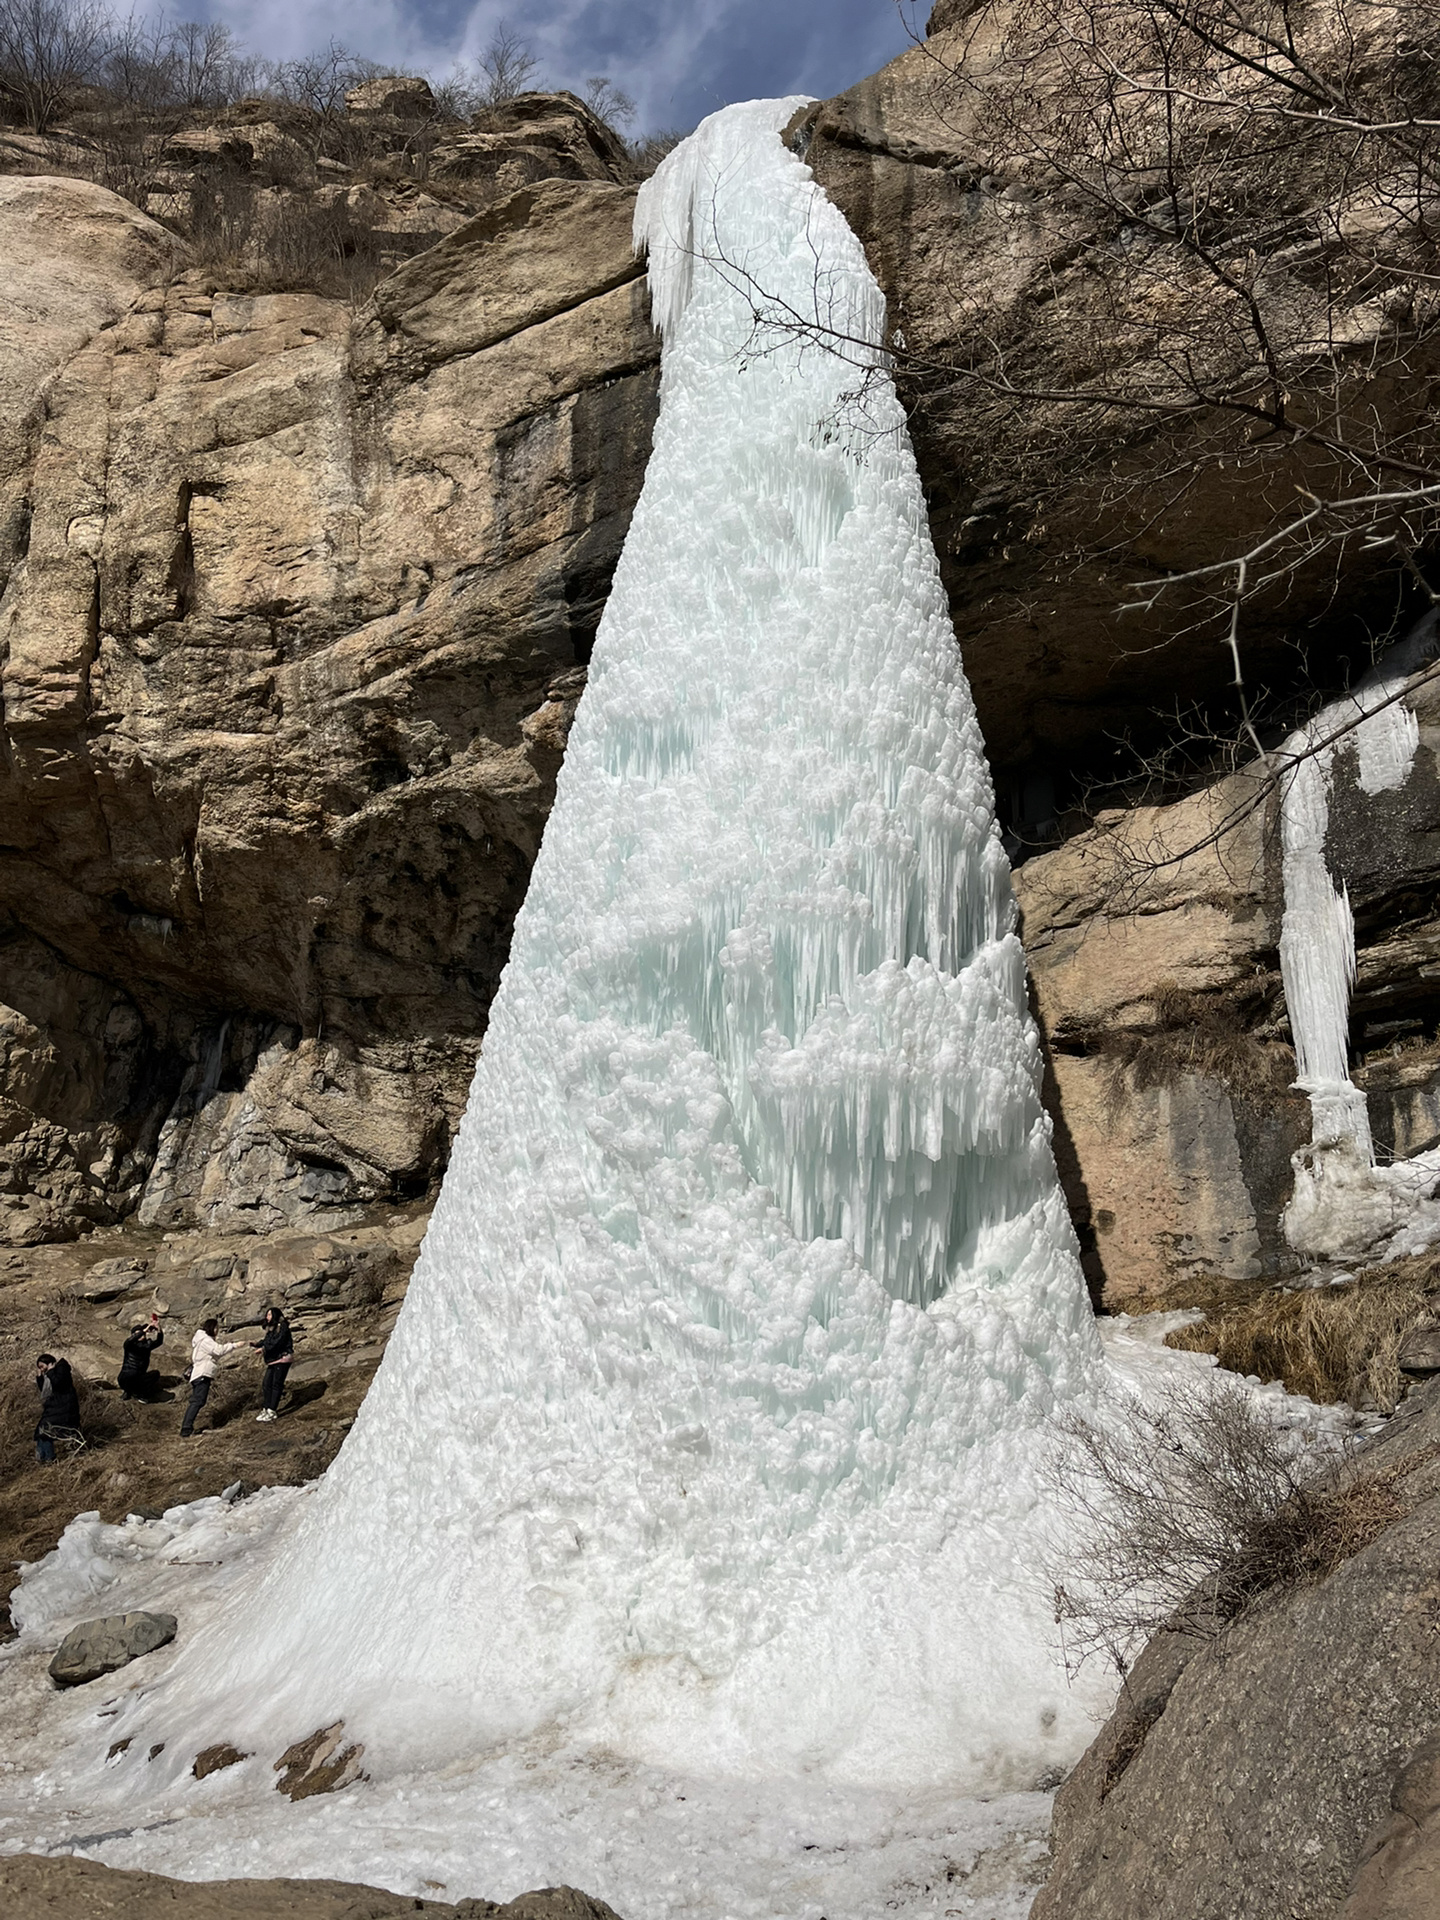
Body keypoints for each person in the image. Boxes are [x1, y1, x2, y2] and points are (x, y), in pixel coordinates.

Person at [180, 1318, 241, 1437]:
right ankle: (186, 1428)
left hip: (199, 1374)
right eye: (216, 1328)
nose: (217, 1330)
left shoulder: (201, 1340)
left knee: (197, 1401)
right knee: (197, 1401)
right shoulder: (206, 1340)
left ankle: (187, 1427)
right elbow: (219, 1350)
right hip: (202, 1374)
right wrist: (234, 1345)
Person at [34, 1354, 82, 1464]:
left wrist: (50, 1372)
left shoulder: (62, 1368)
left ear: (48, 1362)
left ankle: (49, 1458)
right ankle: (43, 1457)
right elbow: (45, 1391)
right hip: (55, 1407)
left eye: (42, 1366)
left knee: (45, 1431)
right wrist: (40, 1377)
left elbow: (58, 1383)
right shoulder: (49, 1375)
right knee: (41, 1432)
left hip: (64, 1407)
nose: (42, 1369)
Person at [250, 1305, 294, 1423]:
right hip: (274, 1359)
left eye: (269, 1314)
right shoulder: (272, 1328)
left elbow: (277, 1343)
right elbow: (268, 1341)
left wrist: (263, 1349)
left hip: (282, 1358)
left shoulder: (282, 1327)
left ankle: (272, 1410)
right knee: (266, 1384)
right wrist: (257, 1344)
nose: (267, 1317)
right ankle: (266, 1407)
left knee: (276, 1384)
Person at [117, 1314, 165, 1401]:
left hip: (138, 1377)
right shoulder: (130, 1345)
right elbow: (130, 1340)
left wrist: (159, 1329)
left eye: (143, 1332)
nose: (142, 1334)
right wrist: (143, 1330)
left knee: (155, 1374)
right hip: (125, 1377)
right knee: (132, 1375)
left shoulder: (147, 1345)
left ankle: (136, 1393)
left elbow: (159, 1341)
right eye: (138, 1333)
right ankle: (130, 1392)